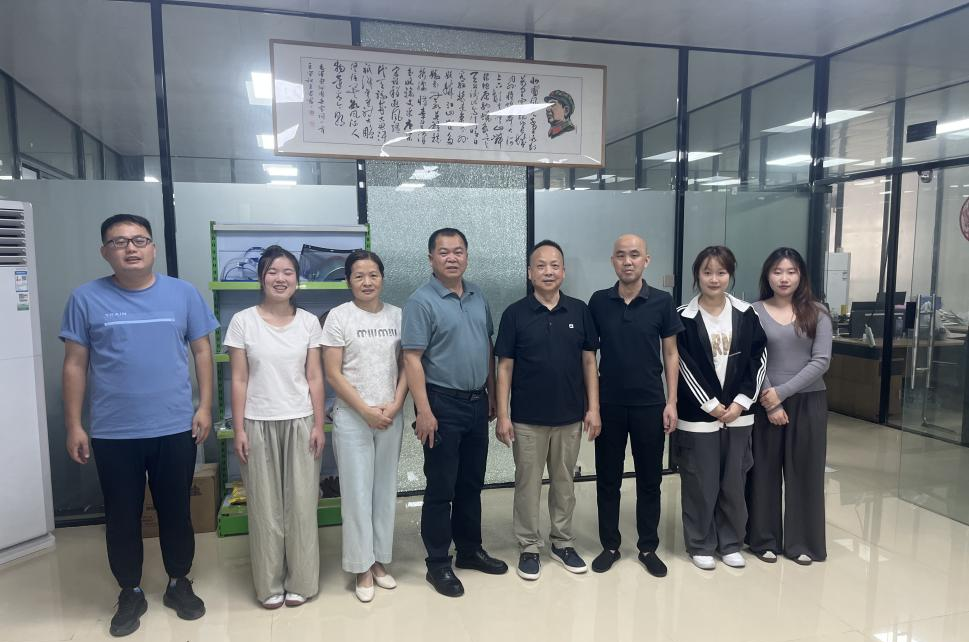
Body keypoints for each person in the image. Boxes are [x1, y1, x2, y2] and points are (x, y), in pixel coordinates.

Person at [61, 214, 216, 637]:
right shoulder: (85, 298)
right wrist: (74, 424)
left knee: (176, 511)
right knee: (122, 516)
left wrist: (205, 406)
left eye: (139, 240)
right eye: (119, 242)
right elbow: (74, 364)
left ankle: (178, 582)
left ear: (153, 248)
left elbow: (203, 352)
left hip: (175, 426)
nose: (130, 248)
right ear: (104, 251)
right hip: (113, 432)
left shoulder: (183, 293)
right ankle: (129, 590)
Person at [402, 227, 508, 598]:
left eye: (458, 251)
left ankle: (469, 550)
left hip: (477, 402)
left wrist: (491, 392)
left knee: (471, 483)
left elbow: (487, 346)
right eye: (444, 252)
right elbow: (412, 359)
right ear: (431, 258)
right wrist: (424, 411)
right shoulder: (421, 301)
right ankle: (437, 562)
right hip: (441, 404)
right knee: (441, 486)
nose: (452, 258)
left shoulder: (478, 295)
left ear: (467, 255)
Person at [224, 245, 326, 609]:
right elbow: (239, 379)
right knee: (264, 509)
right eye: (272, 272)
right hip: (257, 422)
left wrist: (318, 423)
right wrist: (239, 429)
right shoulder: (243, 321)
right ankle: (268, 585)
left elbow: (314, 377)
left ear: (297, 280)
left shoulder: (309, 322)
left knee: (301, 506)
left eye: (287, 272)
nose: (280, 279)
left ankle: (302, 581)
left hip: (300, 421)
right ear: (261, 278)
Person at [494, 240, 601, 581]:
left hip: (570, 417)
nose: (548, 271)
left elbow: (589, 362)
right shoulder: (515, 314)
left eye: (555, 265)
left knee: (564, 483)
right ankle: (528, 546)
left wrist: (594, 408)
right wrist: (503, 415)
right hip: (527, 419)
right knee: (528, 485)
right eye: (540, 266)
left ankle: (562, 541)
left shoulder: (579, 311)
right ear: (530, 273)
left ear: (564, 272)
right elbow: (504, 367)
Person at [587, 234, 682, 577]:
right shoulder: (599, 301)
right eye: (621, 255)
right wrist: (593, 407)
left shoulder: (662, 302)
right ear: (612, 260)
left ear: (646, 260)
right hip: (609, 404)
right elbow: (589, 356)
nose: (628, 261)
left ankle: (647, 547)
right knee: (607, 479)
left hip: (650, 404)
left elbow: (671, 353)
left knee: (650, 480)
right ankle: (610, 545)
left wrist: (671, 401)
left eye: (634, 255)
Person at [322, 250, 407, 603]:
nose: (367, 282)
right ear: (348, 281)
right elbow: (332, 373)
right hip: (352, 416)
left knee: (384, 490)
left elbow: (407, 366)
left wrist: (396, 404)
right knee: (357, 494)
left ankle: (379, 560)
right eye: (359, 276)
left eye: (373, 275)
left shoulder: (399, 315)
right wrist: (364, 410)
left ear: (382, 278)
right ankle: (361, 566)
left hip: (390, 415)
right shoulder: (339, 317)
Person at [674, 246, 767, 571]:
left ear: (730, 275)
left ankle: (730, 542)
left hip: (739, 416)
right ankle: (700, 543)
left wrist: (741, 402)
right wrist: (711, 405)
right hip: (698, 417)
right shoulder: (683, 316)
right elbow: (681, 364)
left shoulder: (746, 313)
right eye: (707, 272)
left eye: (721, 272)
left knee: (733, 482)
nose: (714, 279)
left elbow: (759, 359)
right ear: (697, 276)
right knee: (700, 482)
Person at [747, 247, 832, 566]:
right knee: (763, 472)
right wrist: (771, 401)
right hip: (764, 400)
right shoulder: (752, 311)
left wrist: (781, 393)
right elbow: (753, 357)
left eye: (791, 271)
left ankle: (804, 542)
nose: (784, 278)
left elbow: (821, 361)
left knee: (806, 472)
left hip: (808, 400)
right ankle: (763, 539)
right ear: (767, 275)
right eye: (777, 271)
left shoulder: (818, 312)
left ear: (801, 276)